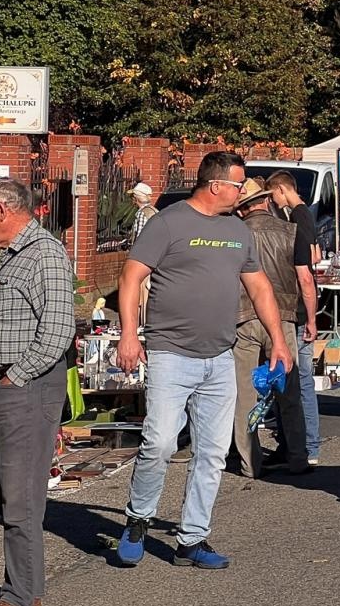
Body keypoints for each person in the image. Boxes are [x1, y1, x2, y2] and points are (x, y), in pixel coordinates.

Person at [116, 152, 294, 570]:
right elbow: (130, 277)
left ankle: (192, 539)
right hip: (170, 353)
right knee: (159, 442)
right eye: (239, 184)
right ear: (216, 185)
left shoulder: (238, 230)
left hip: (220, 357)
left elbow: (261, 287)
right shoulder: (169, 222)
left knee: (212, 453)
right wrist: (128, 334)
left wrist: (279, 341)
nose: (243, 192)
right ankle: (138, 519)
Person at [0, 178, 75, 606]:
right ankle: (28, 587)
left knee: (19, 494)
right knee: (10, 492)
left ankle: (20, 596)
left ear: (4, 210)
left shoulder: (43, 253)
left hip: (27, 386)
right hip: (11, 384)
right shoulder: (12, 255)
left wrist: (15, 377)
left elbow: (59, 330)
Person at [232, 179, 309, 479]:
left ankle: (250, 463)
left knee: (244, 395)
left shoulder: (236, 234)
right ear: (266, 201)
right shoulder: (289, 231)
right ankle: (298, 457)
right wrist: (311, 318)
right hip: (283, 316)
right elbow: (304, 278)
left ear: (242, 210)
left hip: (244, 315)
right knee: (289, 391)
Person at [264, 171, 320, 467]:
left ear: (283, 190)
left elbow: (304, 273)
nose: (272, 202)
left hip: (297, 307)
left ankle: (306, 444)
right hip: (300, 305)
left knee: (299, 379)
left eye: (273, 195)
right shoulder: (304, 216)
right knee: (298, 379)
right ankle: (302, 443)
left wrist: (311, 318)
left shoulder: (298, 218)